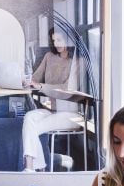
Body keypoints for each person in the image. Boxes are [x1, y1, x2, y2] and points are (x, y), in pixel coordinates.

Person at [21, 27, 81, 171]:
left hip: (71, 114)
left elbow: (67, 89)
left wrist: (40, 86)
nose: (56, 44)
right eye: (54, 40)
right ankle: (33, 169)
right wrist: (25, 81)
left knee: (33, 129)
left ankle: (33, 169)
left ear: (69, 39)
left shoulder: (77, 62)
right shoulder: (49, 57)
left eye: (59, 40)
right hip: (53, 110)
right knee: (29, 117)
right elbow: (35, 78)